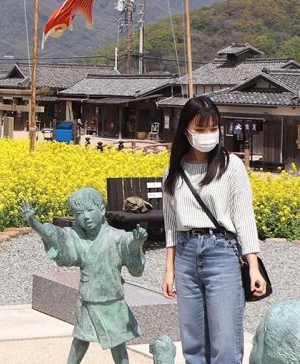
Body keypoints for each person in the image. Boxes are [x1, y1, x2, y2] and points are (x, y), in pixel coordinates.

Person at [161, 96, 267, 364]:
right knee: (193, 342)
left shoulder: (231, 166)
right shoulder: (173, 170)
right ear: (186, 129)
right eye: (200, 129)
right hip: (185, 254)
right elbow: (171, 224)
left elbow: (244, 218)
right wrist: (169, 270)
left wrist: (253, 266)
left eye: (212, 128)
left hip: (223, 254)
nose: (207, 135)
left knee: (225, 341)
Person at [23, 188, 147, 364]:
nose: (85, 217)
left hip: (112, 301)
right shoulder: (75, 237)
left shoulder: (116, 237)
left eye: (90, 210)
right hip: (88, 300)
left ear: (102, 210)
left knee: (118, 345)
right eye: (79, 213)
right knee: (80, 340)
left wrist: (136, 243)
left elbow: (129, 246)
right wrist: (34, 223)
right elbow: (56, 237)